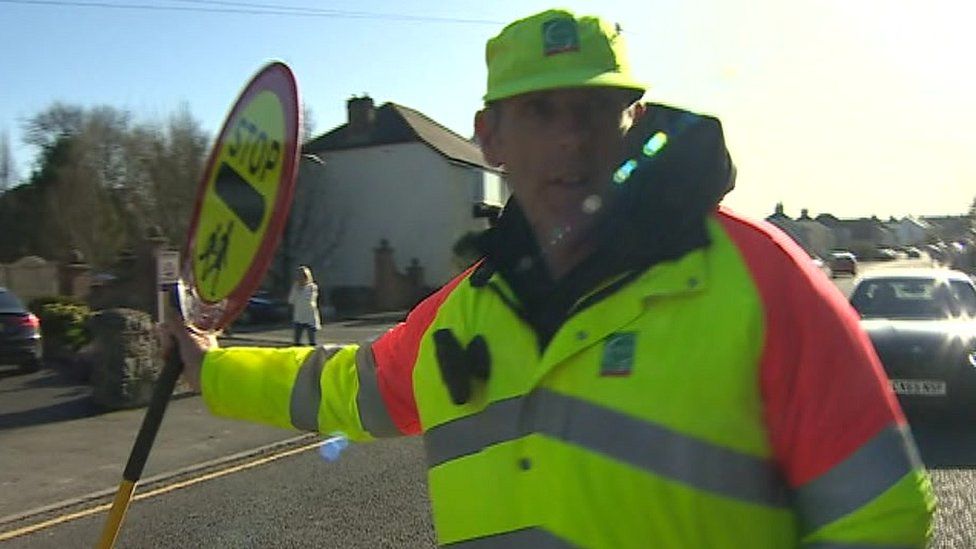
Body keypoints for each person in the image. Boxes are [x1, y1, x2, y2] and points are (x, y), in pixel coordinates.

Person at [165, 8, 935, 547]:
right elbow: (345, 390)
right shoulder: (461, 315)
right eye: (541, 111)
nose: (573, 140)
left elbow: (880, 515)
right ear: (490, 136)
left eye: (597, 112)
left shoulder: (760, 277)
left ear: (632, 123)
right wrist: (214, 367)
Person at [287, 265, 321, 345]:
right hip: (298, 316)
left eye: (303, 276)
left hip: (309, 316)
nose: (301, 278)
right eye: (299, 276)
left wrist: (301, 289)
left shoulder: (312, 287)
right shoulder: (295, 287)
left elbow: (309, 300)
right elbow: (291, 300)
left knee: (312, 341)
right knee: (296, 341)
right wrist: (296, 289)